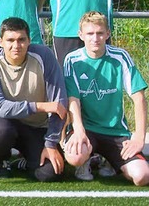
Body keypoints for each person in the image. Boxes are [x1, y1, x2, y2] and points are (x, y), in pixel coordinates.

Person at [63, 11, 149, 186]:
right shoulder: (72, 60)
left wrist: (139, 137)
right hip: (87, 130)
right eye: (90, 33)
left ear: (107, 34)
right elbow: (73, 99)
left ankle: (110, 160)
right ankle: (85, 161)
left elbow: (138, 97)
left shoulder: (120, 57)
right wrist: (78, 130)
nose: (95, 38)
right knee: (75, 156)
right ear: (81, 35)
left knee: (142, 177)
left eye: (100, 33)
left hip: (116, 132)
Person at [0, 17, 67, 182]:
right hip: (4, 123)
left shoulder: (44, 56)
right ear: (0, 42)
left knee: (51, 173)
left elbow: (59, 104)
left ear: (29, 40)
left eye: (21, 40)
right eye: (10, 40)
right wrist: (39, 106)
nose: (16, 45)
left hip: (36, 126)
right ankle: (2, 160)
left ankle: (25, 161)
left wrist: (51, 143)